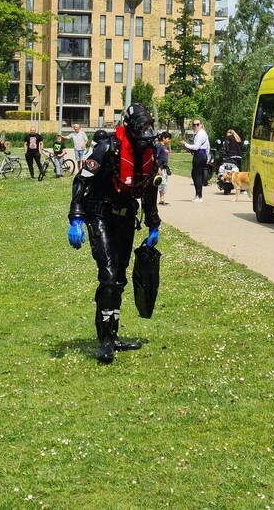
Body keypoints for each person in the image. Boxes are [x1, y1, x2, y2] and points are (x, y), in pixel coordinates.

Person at [67, 103, 161, 364]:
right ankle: (105, 340)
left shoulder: (149, 151)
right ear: (130, 127)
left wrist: (153, 224)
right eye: (141, 126)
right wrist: (76, 219)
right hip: (100, 215)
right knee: (108, 276)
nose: (146, 132)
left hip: (126, 217)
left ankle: (113, 334)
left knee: (119, 278)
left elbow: (150, 189)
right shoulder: (107, 148)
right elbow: (82, 180)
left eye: (148, 125)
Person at [181, 119, 210, 203]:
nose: (195, 126)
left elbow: (196, 147)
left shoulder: (200, 133)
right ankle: (198, 195)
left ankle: (199, 196)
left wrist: (185, 144)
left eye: (197, 124)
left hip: (199, 155)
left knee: (197, 175)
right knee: (195, 174)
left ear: (201, 124)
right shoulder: (201, 133)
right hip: (201, 155)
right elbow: (207, 146)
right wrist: (206, 156)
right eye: (194, 124)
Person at [156, 132, 172, 205]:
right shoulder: (159, 146)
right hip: (160, 168)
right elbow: (155, 157)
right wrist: (158, 168)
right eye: (168, 139)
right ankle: (159, 200)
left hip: (165, 168)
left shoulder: (165, 146)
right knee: (161, 184)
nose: (170, 140)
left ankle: (162, 200)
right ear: (163, 138)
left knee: (164, 184)